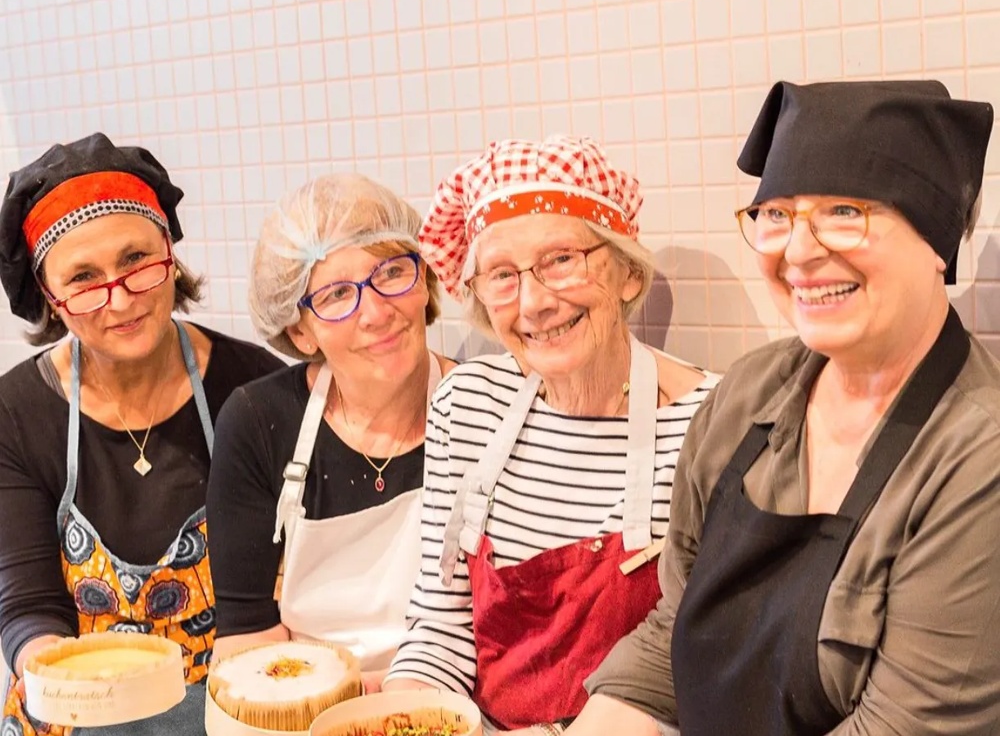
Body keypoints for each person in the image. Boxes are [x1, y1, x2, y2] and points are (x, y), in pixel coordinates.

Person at [569, 80, 1000, 736]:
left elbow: (904, 726)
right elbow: (673, 630)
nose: (797, 252)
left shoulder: (977, 457)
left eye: (844, 211)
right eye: (775, 214)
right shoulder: (747, 394)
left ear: (936, 239)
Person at [380, 135, 719, 735]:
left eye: (561, 259)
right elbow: (440, 626)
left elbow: (705, 666)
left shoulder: (709, 424)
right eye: (502, 275)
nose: (534, 302)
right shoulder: (467, 404)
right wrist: (406, 718)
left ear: (627, 273)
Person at [0, 133, 284, 735]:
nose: (121, 298)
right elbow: (28, 606)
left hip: (231, 706)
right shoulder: (14, 413)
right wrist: (66, 682)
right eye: (84, 278)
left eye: (136, 260)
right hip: (78, 710)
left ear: (170, 254)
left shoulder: (254, 388)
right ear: (50, 297)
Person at [206, 174, 454, 690]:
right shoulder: (258, 420)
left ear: (423, 279)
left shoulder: (482, 408)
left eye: (392, 272)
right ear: (300, 330)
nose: (376, 312)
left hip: (455, 703)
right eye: (338, 294)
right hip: (302, 706)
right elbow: (246, 639)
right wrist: (335, 704)